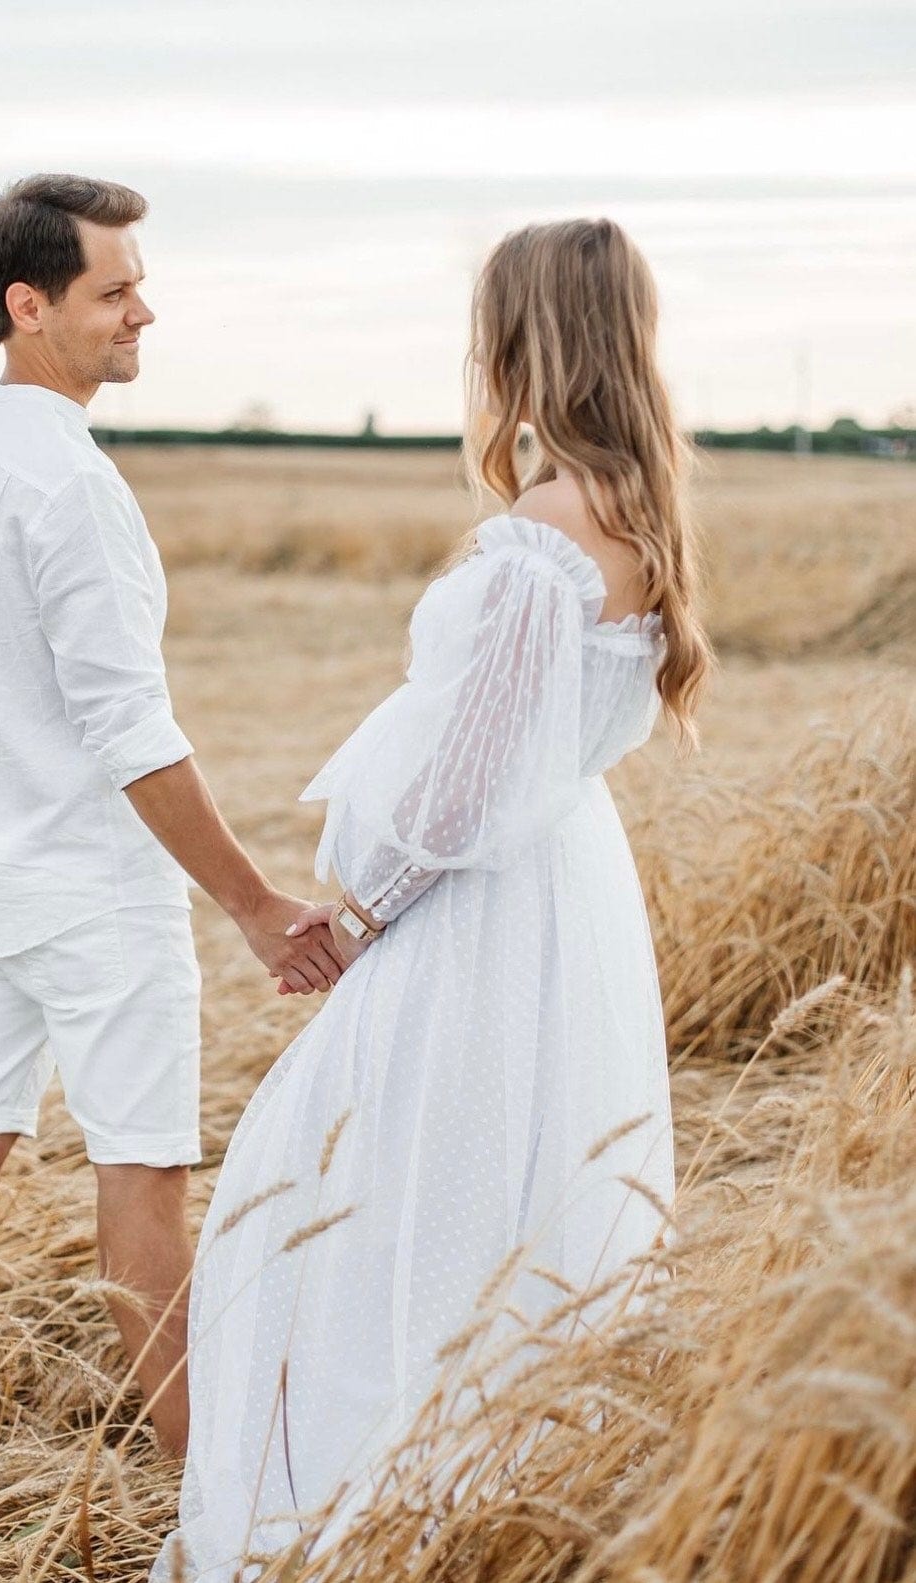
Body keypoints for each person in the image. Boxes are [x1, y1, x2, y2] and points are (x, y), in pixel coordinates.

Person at [155, 217, 713, 1579]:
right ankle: (497, 1486)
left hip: (480, 909)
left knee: (366, 1190)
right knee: (515, 1185)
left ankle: (367, 1502)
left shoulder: (540, 531)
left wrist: (352, 917)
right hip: (567, 898)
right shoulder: (638, 505)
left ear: (526, 337)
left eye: (488, 325)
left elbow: (466, 786)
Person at [0, 174, 344, 1462]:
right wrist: (257, 909)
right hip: (93, 892)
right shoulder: (70, 483)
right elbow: (130, 730)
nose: (145, 309)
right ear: (29, 306)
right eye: (115, 290)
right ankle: (201, 1482)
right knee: (143, 1172)